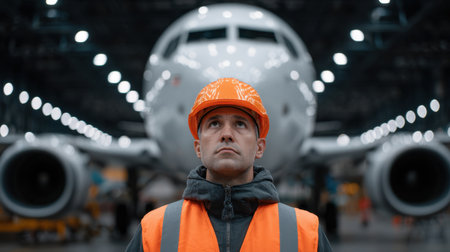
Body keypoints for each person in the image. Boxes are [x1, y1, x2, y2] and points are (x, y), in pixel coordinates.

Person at [125, 78, 333, 251]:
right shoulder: (154, 231)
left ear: (260, 147)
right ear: (198, 147)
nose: (226, 135)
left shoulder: (307, 234)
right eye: (214, 123)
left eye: (240, 124)